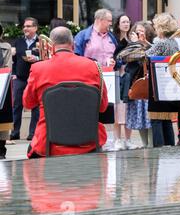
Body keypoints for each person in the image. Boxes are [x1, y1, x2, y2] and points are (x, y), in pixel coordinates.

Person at [23, 26, 108, 158]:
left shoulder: (38, 68)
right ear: (73, 44)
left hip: (49, 145)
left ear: (51, 45)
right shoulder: (94, 66)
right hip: (88, 143)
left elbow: (27, 103)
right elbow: (102, 107)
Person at [146, 13, 180, 147]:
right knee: (166, 119)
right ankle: (170, 147)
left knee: (156, 119)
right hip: (168, 84)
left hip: (158, 85)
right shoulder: (173, 42)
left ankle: (158, 150)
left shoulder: (162, 43)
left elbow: (146, 56)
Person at [121, 21, 154, 149]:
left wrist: (143, 43)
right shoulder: (130, 45)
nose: (140, 33)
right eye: (137, 31)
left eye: (142, 30)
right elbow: (127, 58)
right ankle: (145, 144)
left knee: (149, 117)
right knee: (139, 118)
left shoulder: (152, 44)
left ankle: (151, 144)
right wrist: (135, 44)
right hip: (136, 84)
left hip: (148, 84)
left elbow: (148, 55)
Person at [10, 17, 40, 141]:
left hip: (36, 78)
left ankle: (33, 133)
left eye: (28, 26)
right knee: (17, 105)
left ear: (35, 28)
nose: (25, 29)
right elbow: (15, 60)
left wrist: (37, 59)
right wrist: (15, 73)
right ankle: (15, 132)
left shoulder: (41, 42)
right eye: (24, 26)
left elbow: (47, 58)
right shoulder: (18, 42)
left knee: (35, 107)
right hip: (20, 78)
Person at [111, 14, 138, 150]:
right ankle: (117, 139)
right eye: (123, 22)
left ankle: (128, 139)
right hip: (117, 75)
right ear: (118, 24)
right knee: (117, 108)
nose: (126, 24)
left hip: (129, 76)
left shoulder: (132, 39)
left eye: (128, 21)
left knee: (128, 109)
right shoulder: (113, 40)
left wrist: (135, 42)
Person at [0, 23, 13, 159]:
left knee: (2, 119)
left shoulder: (5, 47)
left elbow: (7, 67)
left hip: (2, 83)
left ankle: (1, 148)